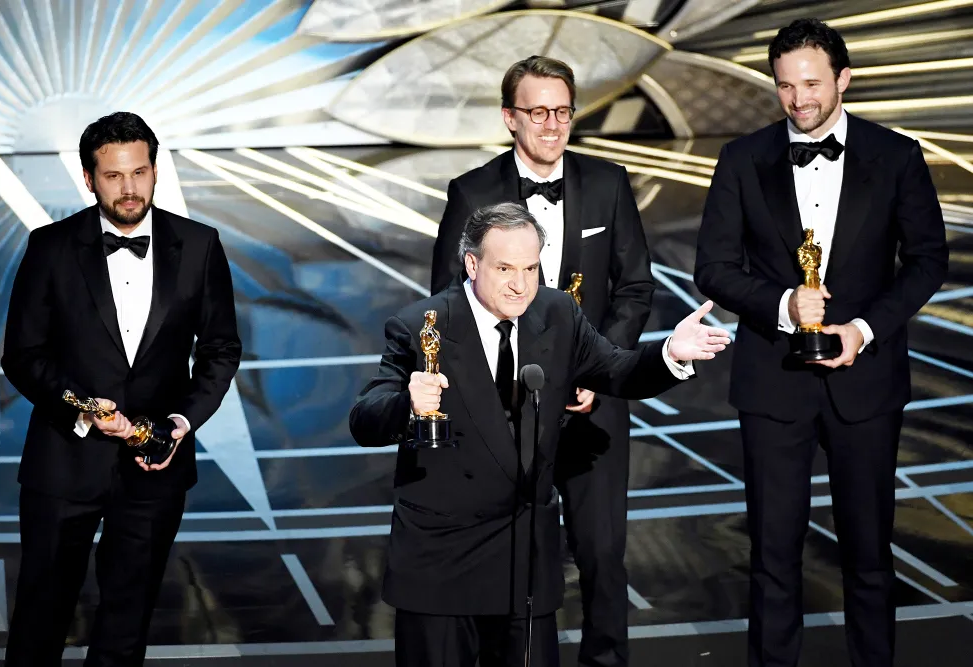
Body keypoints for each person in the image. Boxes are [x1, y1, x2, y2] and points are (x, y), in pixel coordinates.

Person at [353, 202, 730, 666]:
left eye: (531, 268)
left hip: (524, 554)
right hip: (442, 561)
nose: (520, 284)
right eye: (505, 268)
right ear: (472, 264)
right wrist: (405, 406)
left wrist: (672, 352)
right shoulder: (422, 325)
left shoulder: (556, 312)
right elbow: (365, 418)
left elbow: (618, 371)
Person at [693, 18, 948, 667]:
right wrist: (782, 304)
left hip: (866, 384)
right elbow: (713, 267)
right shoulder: (741, 159)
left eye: (810, 83)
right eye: (784, 86)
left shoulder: (896, 156)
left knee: (869, 555)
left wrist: (862, 330)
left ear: (843, 79)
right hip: (773, 384)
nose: (798, 99)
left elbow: (927, 260)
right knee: (773, 556)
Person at [430, 55, 654, 667]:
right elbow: (450, 306)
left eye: (562, 111)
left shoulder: (609, 182)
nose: (552, 125)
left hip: (594, 411)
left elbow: (635, 287)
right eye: (537, 112)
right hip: (507, 418)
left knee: (604, 557)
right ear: (510, 118)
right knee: (516, 560)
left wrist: (595, 366)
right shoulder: (472, 193)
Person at [1, 111, 242, 666]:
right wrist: (83, 408)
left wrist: (178, 425)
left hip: (155, 466)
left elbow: (220, 350)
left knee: (127, 621)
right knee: (41, 616)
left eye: (140, 172)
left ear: (156, 170)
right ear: (89, 179)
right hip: (64, 462)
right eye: (113, 176)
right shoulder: (50, 247)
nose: (129, 189)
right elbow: (22, 355)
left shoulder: (201, 246)